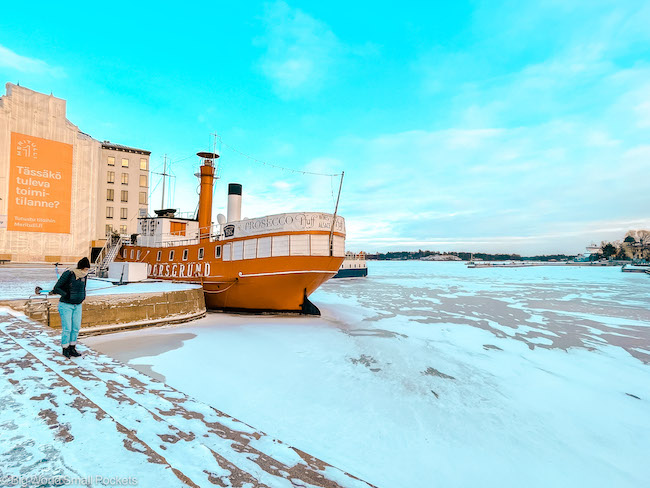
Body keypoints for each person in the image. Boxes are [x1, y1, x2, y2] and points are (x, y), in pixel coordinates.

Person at [52, 257, 91, 358]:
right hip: (66, 305)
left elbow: (83, 287)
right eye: (85, 269)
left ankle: (72, 347)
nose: (86, 271)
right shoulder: (69, 273)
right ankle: (65, 349)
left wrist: (82, 297)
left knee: (75, 328)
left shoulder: (84, 275)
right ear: (80, 268)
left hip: (77, 305)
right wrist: (66, 294)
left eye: (87, 269)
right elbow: (56, 288)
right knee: (67, 328)